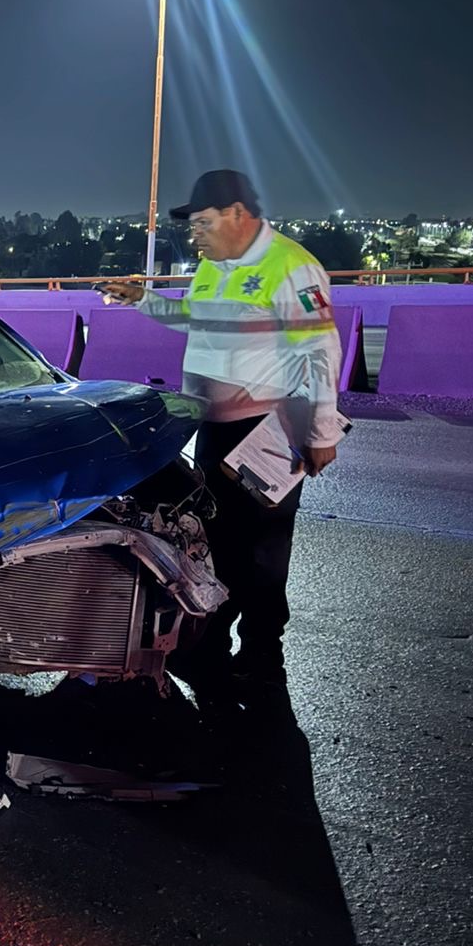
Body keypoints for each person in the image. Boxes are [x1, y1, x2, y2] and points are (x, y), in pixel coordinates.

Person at [100, 169, 343, 695]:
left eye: (203, 223)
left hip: (265, 432)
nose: (196, 235)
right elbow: (194, 317)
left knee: (262, 551)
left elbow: (321, 350)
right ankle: (210, 645)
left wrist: (322, 431)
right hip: (211, 429)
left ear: (236, 213)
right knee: (211, 541)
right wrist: (141, 298)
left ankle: (262, 652)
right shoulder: (214, 266)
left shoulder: (292, 266)